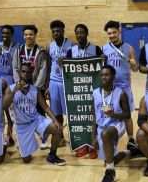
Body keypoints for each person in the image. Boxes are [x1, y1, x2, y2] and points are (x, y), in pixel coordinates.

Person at [3, 63, 66, 166]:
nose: (25, 74)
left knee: (57, 129)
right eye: (23, 71)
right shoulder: (10, 88)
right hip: (22, 125)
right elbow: (4, 106)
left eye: (28, 72)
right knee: (26, 160)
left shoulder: (34, 89)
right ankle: (25, 146)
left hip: (35, 120)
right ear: (19, 73)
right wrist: (14, 92)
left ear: (30, 74)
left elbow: (45, 107)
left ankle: (52, 156)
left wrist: (55, 120)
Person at [92, 65, 132, 182]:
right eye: (102, 75)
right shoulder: (95, 93)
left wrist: (114, 114)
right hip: (101, 126)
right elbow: (93, 114)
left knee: (106, 135)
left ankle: (110, 172)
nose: (104, 77)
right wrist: (92, 136)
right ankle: (126, 153)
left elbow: (127, 114)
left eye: (107, 74)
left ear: (113, 76)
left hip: (117, 124)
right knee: (108, 158)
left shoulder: (121, 93)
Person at [102, 20, 139, 152]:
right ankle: (110, 136)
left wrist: (134, 64)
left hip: (124, 86)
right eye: (109, 34)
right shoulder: (104, 49)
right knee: (109, 112)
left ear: (119, 32)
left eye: (114, 32)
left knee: (127, 114)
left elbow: (135, 70)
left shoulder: (129, 48)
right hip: (110, 88)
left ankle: (131, 139)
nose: (112, 35)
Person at [66, 23, 102, 159]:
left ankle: (93, 145)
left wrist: (103, 59)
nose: (79, 35)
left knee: (93, 115)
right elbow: (67, 71)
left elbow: (101, 66)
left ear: (87, 34)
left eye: (82, 32)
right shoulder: (71, 51)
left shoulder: (96, 49)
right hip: (77, 89)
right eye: (77, 33)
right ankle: (83, 144)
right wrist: (61, 64)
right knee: (80, 116)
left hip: (92, 87)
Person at [12, 25, 48, 148]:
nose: (28, 36)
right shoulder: (18, 50)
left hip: (36, 86)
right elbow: (15, 68)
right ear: (23, 36)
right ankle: (24, 138)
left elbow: (43, 68)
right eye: (26, 34)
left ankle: (43, 138)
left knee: (40, 111)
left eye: (31, 34)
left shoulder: (40, 50)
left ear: (35, 35)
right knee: (22, 112)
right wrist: (18, 83)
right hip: (22, 86)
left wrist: (37, 86)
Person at [45, 20, 74, 147]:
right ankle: (60, 135)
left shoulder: (71, 44)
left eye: (58, 31)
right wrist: (46, 86)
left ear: (63, 31)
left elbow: (76, 63)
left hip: (68, 81)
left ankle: (74, 136)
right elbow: (47, 66)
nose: (56, 33)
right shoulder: (49, 46)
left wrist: (67, 62)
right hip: (54, 82)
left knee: (71, 111)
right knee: (56, 112)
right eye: (53, 31)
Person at [0, 25, 19, 147]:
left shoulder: (17, 47)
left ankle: (9, 135)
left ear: (11, 34)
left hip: (11, 79)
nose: (4, 36)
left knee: (10, 110)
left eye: (7, 33)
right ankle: (0, 136)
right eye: (3, 33)